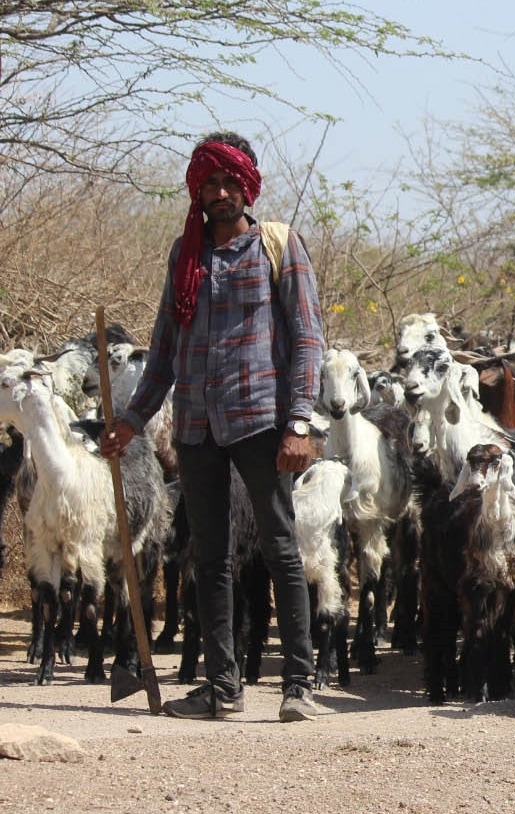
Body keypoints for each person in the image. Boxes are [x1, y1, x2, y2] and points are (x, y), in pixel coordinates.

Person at [102, 131, 325, 722]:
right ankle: (222, 687)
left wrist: (299, 422)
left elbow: (306, 342)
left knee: (280, 548)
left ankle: (299, 683)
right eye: (209, 182)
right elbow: (164, 349)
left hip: (261, 420)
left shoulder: (279, 246)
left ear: (247, 184)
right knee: (209, 556)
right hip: (195, 425)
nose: (220, 192)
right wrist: (131, 421)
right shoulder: (186, 254)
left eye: (230, 181)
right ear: (197, 188)